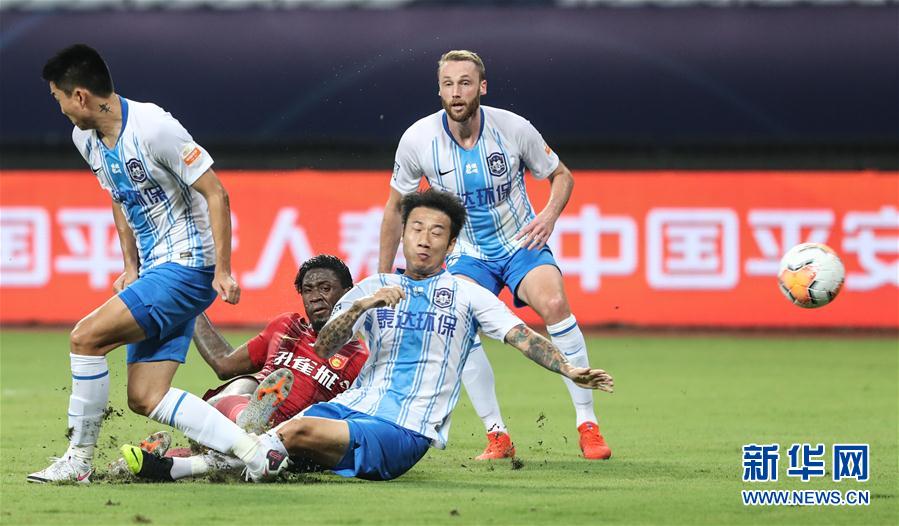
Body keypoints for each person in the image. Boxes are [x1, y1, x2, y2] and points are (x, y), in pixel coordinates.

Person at [28, 44, 275, 483]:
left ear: (80, 95)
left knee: (85, 338)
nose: (60, 108)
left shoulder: (155, 128)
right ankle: (255, 452)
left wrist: (222, 270)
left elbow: (216, 192)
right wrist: (130, 266)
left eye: (59, 98)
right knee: (146, 395)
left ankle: (78, 461)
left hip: (187, 267)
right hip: (157, 270)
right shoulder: (85, 139)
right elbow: (118, 197)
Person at [244, 189, 613, 482]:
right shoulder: (374, 287)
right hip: (350, 407)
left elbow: (523, 337)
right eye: (416, 229)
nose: (424, 240)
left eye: (436, 233)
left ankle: (251, 453)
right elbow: (325, 347)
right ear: (403, 234)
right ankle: (225, 461)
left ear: (450, 245)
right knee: (274, 441)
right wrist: (362, 306)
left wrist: (568, 368)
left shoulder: (468, 295)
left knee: (294, 431)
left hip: (403, 428)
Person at [378, 50, 612, 460]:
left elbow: (562, 175)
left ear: (482, 87)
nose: (456, 92)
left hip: (520, 243)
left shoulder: (512, 128)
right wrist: (383, 279)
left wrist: (548, 216)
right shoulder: (418, 139)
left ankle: (587, 424)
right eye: (448, 84)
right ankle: (497, 435)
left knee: (555, 303)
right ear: (439, 90)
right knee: (458, 323)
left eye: (465, 83)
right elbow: (396, 208)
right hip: (467, 253)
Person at [120, 255, 370, 481]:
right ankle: (247, 419)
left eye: (325, 288)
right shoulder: (287, 327)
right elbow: (224, 363)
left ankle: (155, 462)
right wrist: (187, 304)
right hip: (230, 411)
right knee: (245, 384)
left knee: (250, 455)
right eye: (308, 290)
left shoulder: (362, 359)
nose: (315, 297)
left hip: (287, 439)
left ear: (348, 293)